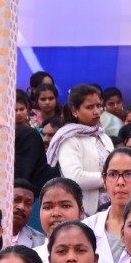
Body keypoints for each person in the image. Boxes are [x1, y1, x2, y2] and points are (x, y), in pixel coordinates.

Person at [48, 84, 112, 213]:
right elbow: (75, 177)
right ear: (74, 111)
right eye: (90, 107)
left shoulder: (103, 136)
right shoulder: (69, 139)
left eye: (98, 106)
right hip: (85, 210)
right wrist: (111, 178)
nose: (96, 111)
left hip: (111, 207)